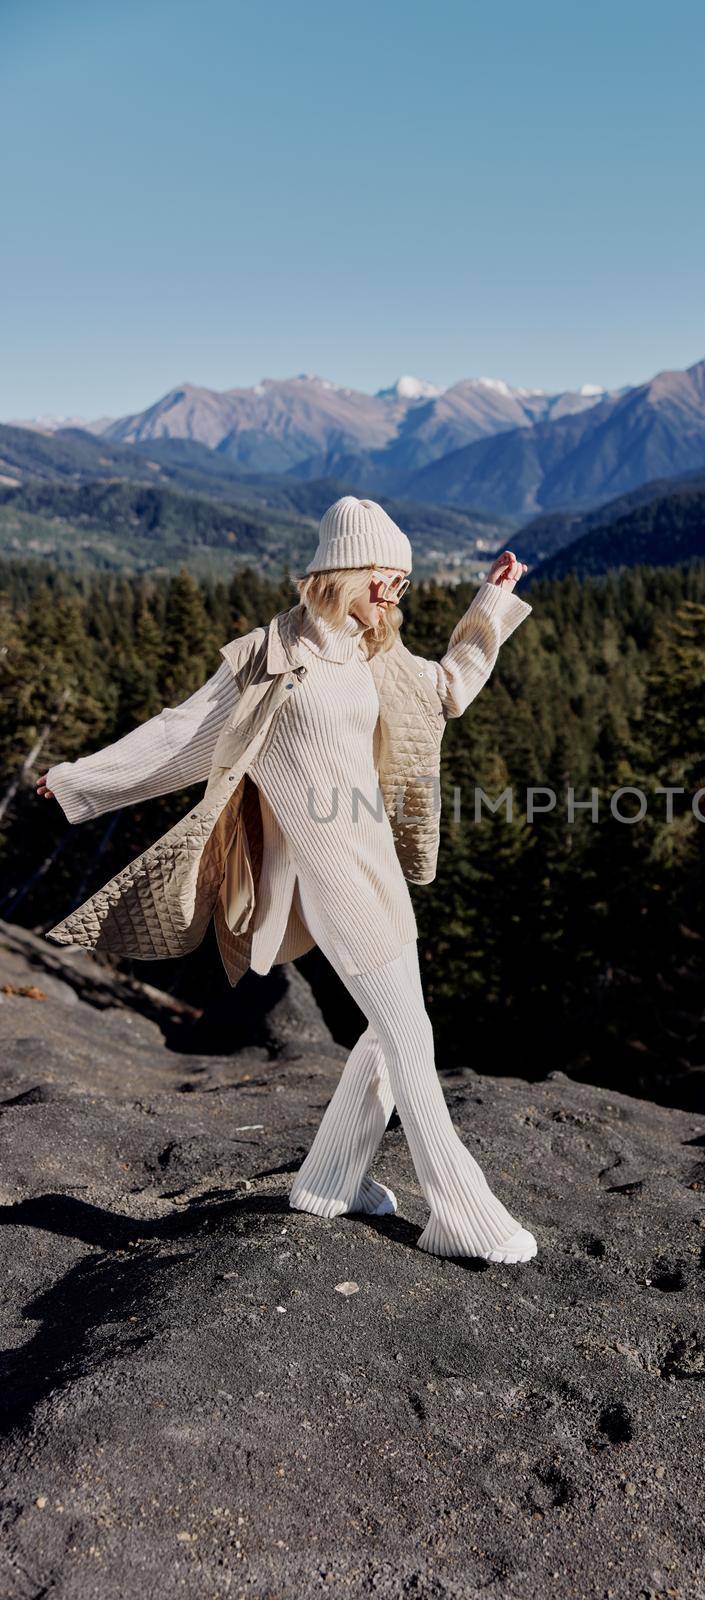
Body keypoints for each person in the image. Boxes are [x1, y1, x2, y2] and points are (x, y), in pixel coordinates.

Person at [37, 497, 538, 1265]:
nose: (393, 595)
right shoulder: (268, 659)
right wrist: (81, 780)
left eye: (402, 582)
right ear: (341, 569)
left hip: (377, 867)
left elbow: (446, 692)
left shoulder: (375, 649)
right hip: (324, 873)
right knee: (408, 1034)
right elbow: (179, 734)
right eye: (384, 578)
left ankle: (330, 1179)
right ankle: (458, 1209)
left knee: (392, 1026)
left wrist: (490, 604)